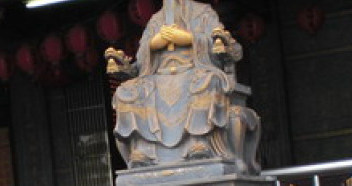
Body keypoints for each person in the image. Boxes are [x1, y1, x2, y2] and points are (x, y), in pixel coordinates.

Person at [106, 0, 259, 173]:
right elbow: (141, 61)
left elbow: (225, 44)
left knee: (207, 81)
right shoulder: (156, 20)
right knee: (126, 91)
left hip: (194, 69)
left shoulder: (203, 12)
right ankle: (144, 150)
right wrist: (153, 44)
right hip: (159, 75)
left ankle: (198, 141)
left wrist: (190, 39)